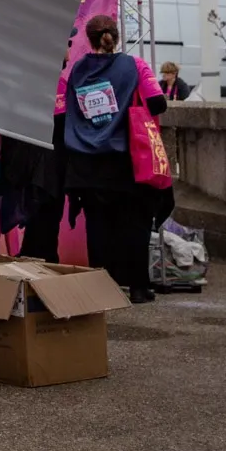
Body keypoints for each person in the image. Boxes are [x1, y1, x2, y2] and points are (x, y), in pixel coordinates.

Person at [58, 15, 168, 303]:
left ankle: (102, 286)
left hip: (86, 161)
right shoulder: (135, 66)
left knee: (97, 225)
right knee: (135, 224)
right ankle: (138, 288)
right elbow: (158, 102)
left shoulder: (78, 70)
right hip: (126, 157)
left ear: (90, 40)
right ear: (116, 37)